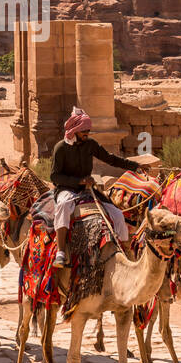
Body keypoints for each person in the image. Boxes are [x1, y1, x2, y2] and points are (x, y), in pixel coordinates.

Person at [49, 107, 131, 267]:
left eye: (88, 130)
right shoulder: (60, 148)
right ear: (75, 130)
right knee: (64, 206)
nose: (87, 132)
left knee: (117, 214)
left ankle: (124, 249)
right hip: (67, 189)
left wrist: (134, 166)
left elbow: (110, 159)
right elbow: (54, 176)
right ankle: (60, 252)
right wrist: (78, 182)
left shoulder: (90, 144)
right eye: (84, 130)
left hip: (88, 190)